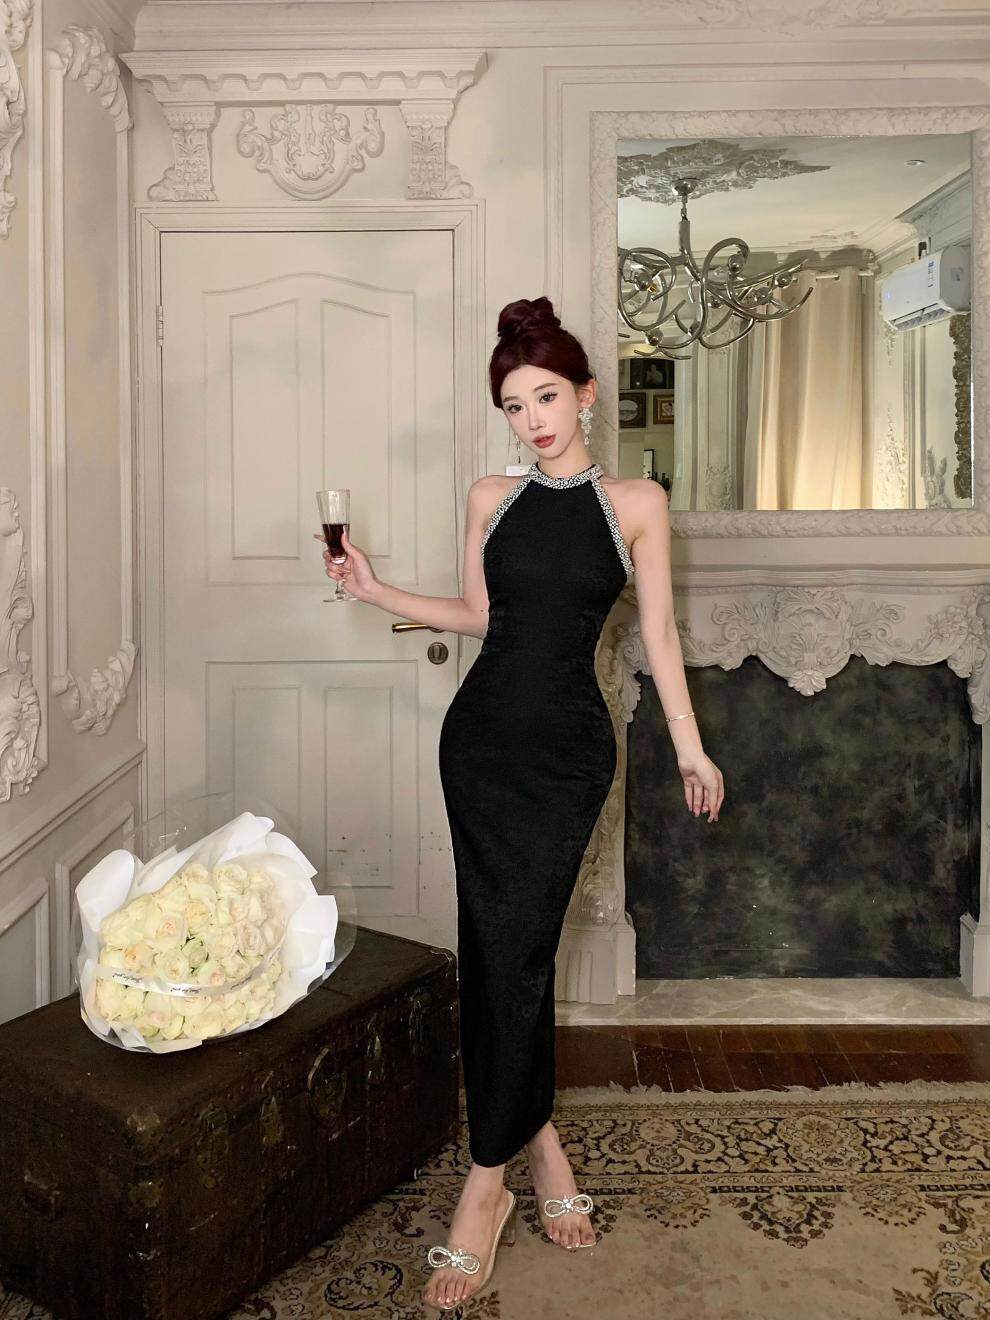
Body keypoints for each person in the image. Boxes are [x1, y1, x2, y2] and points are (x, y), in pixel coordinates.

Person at [314, 296, 724, 1312]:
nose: (532, 418)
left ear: (586, 394)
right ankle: (521, 1158)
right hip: (482, 749)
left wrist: (690, 746)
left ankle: (494, 1171)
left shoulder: (637, 504)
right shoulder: (490, 497)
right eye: (512, 404)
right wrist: (374, 590)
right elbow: (478, 616)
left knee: (518, 950)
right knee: (502, 951)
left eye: (546, 396)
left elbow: (659, 636)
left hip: (568, 757)